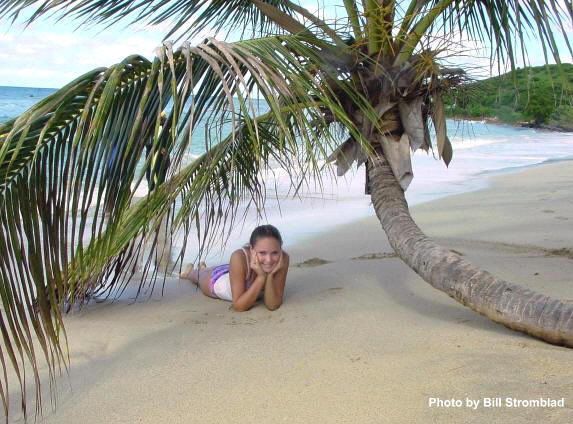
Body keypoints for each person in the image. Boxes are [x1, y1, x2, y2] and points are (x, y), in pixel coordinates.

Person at [180, 225, 289, 312]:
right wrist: (261, 277)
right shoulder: (238, 256)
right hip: (219, 281)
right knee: (198, 276)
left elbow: (273, 305)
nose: (269, 260)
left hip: (234, 271)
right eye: (262, 253)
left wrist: (269, 276)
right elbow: (239, 306)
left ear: (280, 249)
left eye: (274, 252)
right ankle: (189, 272)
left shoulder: (283, 258)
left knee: (210, 270)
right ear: (252, 249)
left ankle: (203, 267)